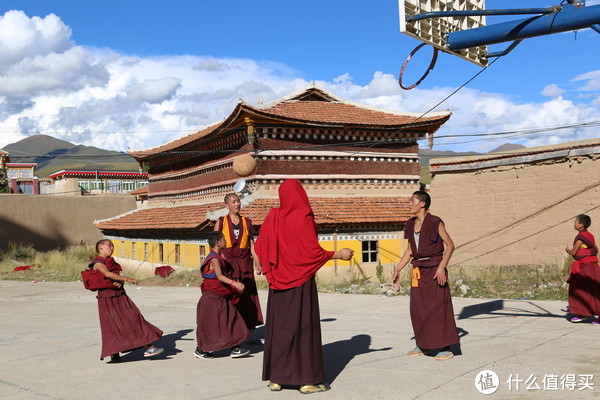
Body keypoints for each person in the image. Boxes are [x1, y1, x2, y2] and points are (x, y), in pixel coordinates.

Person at [255, 179, 354, 394]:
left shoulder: (273, 217)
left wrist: (263, 265)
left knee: (280, 330)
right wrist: (339, 254)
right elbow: (311, 253)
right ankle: (306, 381)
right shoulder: (304, 217)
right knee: (303, 330)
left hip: (278, 286)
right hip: (300, 284)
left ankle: (276, 379)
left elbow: (260, 247)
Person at [392, 190, 459, 361]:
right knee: (418, 308)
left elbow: (450, 245)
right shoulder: (410, 224)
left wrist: (441, 267)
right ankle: (423, 344)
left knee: (438, 308)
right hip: (418, 270)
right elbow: (410, 250)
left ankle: (445, 347)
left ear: (422, 204)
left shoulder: (436, 222)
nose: (409, 204)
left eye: (412, 201)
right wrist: (398, 269)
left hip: (435, 269)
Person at [90, 239, 164, 363]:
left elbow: (113, 275)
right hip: (107, 298)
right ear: (100, 247)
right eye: (109, 246)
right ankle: (147, 347)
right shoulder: (98, 262)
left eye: (113, 246)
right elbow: (107, 274)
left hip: (118, 295)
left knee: (133, 318)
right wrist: (128, 279)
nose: (112, 248)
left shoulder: (110, 261)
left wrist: (119, 281)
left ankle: (115, 353)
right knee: (120, 323)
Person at [214, 193, 264, 344]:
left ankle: (251, 331)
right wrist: (217, 263)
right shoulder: (221, 222)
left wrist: (257, 261)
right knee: (230, 298)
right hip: (228, 264)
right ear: (226, 206)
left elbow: (252, 245)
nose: (237, 204)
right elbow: (215, 246)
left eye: (238, 201)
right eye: (233, 201)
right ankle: (232, 332)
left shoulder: (247, 222)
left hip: (244, 264)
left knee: (249, 298)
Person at [195, 231, 252, 359]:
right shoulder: (214, 258)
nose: (226, 241)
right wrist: (234, 284)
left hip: (219, 296)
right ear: (218, 243)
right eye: (224, 239)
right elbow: (219, 276)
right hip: (213, 297)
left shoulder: (218, 256)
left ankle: (235, 347)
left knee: (231, 319)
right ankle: (201, 349)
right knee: (212, 324)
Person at [565, 214, 600, 324]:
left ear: (581, 225)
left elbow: (574, 252)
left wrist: (567, 250)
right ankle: (585, 314)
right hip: (593, 265)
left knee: (579, 289)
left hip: (585, 267)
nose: (574, 224)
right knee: (594, 289)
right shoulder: (590, 236)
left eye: (575, 222)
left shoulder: (580, 238)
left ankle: (583, 314)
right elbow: (596, 249)